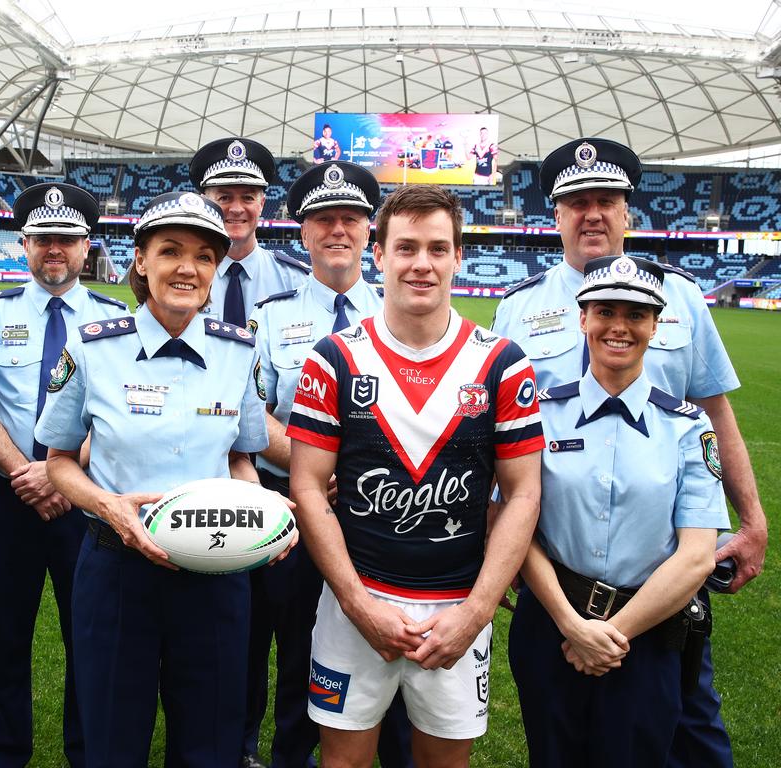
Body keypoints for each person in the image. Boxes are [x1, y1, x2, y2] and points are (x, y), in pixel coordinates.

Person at [490, 137, 767, 767]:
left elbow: (715, 411)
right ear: (556, 215)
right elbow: (494, 438)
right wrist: (498, 547)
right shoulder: (517, 308)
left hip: (662, 576)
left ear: (627, 211)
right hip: (555, 566)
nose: (592, 213)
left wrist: (750, 519)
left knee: (690, 734)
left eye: (606, 201)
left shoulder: (683, 297)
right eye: (576, 202)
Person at [287, 185, 544, 768]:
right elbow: (307, 486)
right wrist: (356, 602)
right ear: (378, 253)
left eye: (437, 248)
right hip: (356, 605)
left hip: (457, 609)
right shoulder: (335, 358)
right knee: (343, 761)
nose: (421, 264)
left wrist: (476, 613)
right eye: (406, 248)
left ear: (459, 257)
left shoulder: (501, 362)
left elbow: (525, 492)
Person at [34, 190, 283, 767]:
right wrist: (109, 506)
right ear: (141, 261)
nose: (187, 268)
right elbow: (58, 460)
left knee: (211, 743)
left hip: (216, 570)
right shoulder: (95, 348)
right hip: (118, 569)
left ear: (216, 270)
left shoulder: (237, 354)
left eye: (203, 256)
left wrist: (269, 516)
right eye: (170, 251)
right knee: (114, 740)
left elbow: (243, 459)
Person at [508, 255, 728, 767]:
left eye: (635, 314)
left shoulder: (688, 427)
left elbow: (697, 555)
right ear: (582, 318)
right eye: (605, 311)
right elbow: (513, 522)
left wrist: (612, 636)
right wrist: (572, 625)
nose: (619, 327)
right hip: (552, 625)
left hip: (648, 632)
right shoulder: (537, 414)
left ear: (655, 324)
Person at [244, 162, 411, 768]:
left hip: (382, 516)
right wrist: (314, 470)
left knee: (384, 647)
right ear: (304, 232)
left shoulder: (400, 314)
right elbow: (252, 418)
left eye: (351, 218)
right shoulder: (269, 315)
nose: (337, 230)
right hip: (292, 512)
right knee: (295, 653)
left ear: (370, 230)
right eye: (323, 220)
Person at [0, 182, 126, 767]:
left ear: (87, 247)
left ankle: (87, 753)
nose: (54, 250)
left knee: (87, 638)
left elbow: (115, 415)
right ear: (24, 244)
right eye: (43, 239)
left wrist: (57, 473)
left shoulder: (114, 320)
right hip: (8, 501)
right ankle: (2, 755)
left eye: (67, 240)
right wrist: (23, 473)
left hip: (81, 500)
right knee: (4, 637)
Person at [189, 137, 310, 326]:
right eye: (224, 197)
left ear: (261, 204)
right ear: (205, 203)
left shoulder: (295, 280)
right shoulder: (184, 276)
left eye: (247, 197)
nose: (237, 209)